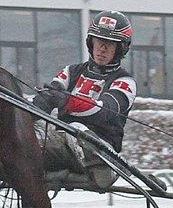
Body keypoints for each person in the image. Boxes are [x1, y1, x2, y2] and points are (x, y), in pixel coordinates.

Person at [32, 10, 137, 189]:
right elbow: (46, 100)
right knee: (28, 136)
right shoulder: (70, 71)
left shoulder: (125, 82)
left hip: (102, 148)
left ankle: (104, 169)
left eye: (109, 44)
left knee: (76, 128)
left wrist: (67, 102)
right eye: (99, 41)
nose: (102, 49)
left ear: (121, 49)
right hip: (62, 145)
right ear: (90, 42)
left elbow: (104, 111)